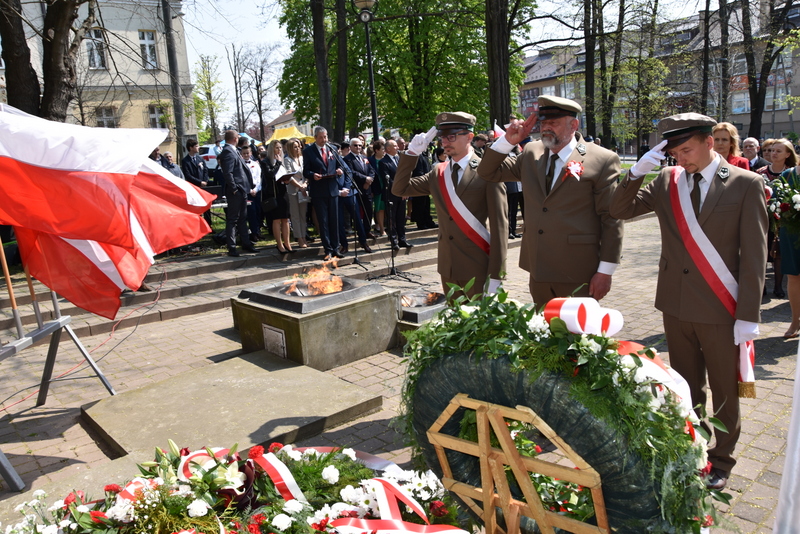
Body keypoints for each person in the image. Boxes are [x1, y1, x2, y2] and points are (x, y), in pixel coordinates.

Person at [610, 112, 768, 491]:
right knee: (685, 385)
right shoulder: (667, 180)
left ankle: (722, 459)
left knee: (726, 391)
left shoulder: (746, 184)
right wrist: (635, 175)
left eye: (687, 149)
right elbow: (618, 210)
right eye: (674, 153)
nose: (681, 159)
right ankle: (692, 448)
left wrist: (748, 314)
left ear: (710, 142)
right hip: (676, 305)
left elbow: (754, 255)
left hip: (721, 306)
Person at [477, 95, 624, 306]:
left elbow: (611, 218)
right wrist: (508, 142)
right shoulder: (531, 152)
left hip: (578, 270)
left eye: (553, 123)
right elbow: (487, 172)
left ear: (573, 124)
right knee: (543, 330)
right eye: (543, 122)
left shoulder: (601, 159)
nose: (546, 128)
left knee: (576, 334)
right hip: (538, 269)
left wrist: (606, 271)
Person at [393, 112, 508, 298]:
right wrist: (411, 154)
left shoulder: (487, 171)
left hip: (477, 265)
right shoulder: (438, 172)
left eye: (452, 136)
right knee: (454, 322)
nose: (445, 141)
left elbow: (500, 227)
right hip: (447, 267)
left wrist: (496, 275)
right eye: (442, 137)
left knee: (478, 325)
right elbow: (400, 189)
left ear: (470, 136)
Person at [303, 126, 345, 260]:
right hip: (319, 191)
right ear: (315, 137)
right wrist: (312, 175)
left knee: (334, 220)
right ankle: (328, 250)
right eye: (320, 137)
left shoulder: (332, 148)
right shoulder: (309, 151)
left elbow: (339, 164)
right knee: (324, 221)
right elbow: (305, 171)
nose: (323, 140)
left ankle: (336, 248)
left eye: (325, 137)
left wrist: (339, 171)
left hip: (332, 190)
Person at [218, 129, 259, 257]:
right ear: (235, 139)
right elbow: (228, 173)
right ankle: (232, 246)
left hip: (242, 189)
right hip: (236, 191)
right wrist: (234, 188)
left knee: (242, 218)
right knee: (232, 219)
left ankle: (246, 243)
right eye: (238, 137)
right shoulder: (228, 152)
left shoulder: (234, 150)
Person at [261, 140, 293, 253]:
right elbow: (270, 175)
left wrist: (288, 179)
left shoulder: (282, 161)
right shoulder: (265, 162)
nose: (279, 150)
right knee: (276, 219)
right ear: (271, 149)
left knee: (286, 219)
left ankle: (287, 243)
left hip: (283, 191)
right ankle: (279, 245)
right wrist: (278, 163)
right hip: (273, 194)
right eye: (277, 148)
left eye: (280, 148)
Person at [343, 138, 376, 242]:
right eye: (355, 145)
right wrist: (365, 179)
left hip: (367, 188)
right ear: (350, 147)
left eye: (360, 145)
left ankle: (367, 230)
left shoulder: (364, 157)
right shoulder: (347, 159)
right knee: (356, 212)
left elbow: (371, 170)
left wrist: (369, 180)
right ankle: (360, 232)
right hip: (356, 189)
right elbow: (351, 172)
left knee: (368, 210)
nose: (358, 147)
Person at [382, 139, 412, 251]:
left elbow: (405, 175)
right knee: (392, 219)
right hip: (392, 194)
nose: (397, 147)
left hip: (402, 194)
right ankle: (394, 241)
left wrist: (405, 190)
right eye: (394, 146)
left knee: (400, 217)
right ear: (388, 148)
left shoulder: (399, 159)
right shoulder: (383, 162)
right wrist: (400, 189)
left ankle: (402, 240)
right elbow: (388, 180)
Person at [283, 138, 310, 248]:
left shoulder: (303, 158)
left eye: (298, 146)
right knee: (295, 215)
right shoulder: (287, 160)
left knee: (303, 215)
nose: (298, 148)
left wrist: (305, 185)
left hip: (304, 189)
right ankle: (299, 238)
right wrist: (299, 186)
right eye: (295, 146)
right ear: (290, 148)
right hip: (293, 190)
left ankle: (304, 236)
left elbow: (307, 173)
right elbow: (289, 176)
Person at [241, 146, 263, 242]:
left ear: (251, 153)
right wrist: (249, 190)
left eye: (247, 153)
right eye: (244, 153)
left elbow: (259, 178)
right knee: (251, 212)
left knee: (259, 211)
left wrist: (256, 189)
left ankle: (258, 231)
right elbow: (242, 179)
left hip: (256, 190)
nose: (246, 155)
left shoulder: (255, 164)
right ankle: (253, 233)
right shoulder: (240, 165)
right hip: (247, 192)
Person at [369, 140, 387, 237]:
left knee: (387, 208)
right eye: (382, 149)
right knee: (379, 208)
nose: (384, 151)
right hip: (377, 188)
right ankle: (381, 229)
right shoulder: (370, 161)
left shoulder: (386, 159)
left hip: (386, 187)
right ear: (376, 150)